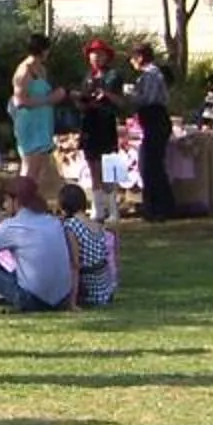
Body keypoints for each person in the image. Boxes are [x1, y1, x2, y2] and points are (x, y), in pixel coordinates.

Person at [0, 173, 78, 311]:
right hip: (61, 299)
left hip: (32, 300)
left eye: (6, 200)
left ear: (16, 201)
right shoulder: (54, 222)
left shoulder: (12, 226)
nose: (5, 205)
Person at [72, 39, 123, 221]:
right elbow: (84, 98)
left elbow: (120, 101)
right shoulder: (87, 77)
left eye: (100, 54)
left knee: (109, 165)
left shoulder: (113, 76)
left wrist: (105, 94)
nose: (96, 57)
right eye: (93, 54)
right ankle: (98, 207)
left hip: (106, 122)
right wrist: (80, 100)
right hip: (89, 122)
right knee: (93, 164)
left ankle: (113, 207)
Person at [8, 34, 63, 191]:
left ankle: (31, 203)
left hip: (43, 124)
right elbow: (20, 101)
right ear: (44, 50)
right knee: (30, 168)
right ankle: (22, 205)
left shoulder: (41, 69)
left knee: (39, 170)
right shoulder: (24, 71)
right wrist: (51, 98)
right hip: (30, 124)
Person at [128, 43, 174, 221]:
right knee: (154, 164)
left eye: (133, 59)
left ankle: (156, 207)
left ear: (139, 57)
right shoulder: (152, 75)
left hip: (155, 119)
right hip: (153, 121)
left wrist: (129, 95)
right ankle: (162, 205)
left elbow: (147, 99)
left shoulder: (150, 75)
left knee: (149, 165)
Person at [57, 182, 118, 307]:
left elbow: (75, 264)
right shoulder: (96, 225)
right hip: (103, 289)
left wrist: (72, 303)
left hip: (88, 290)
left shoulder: (71, 226)